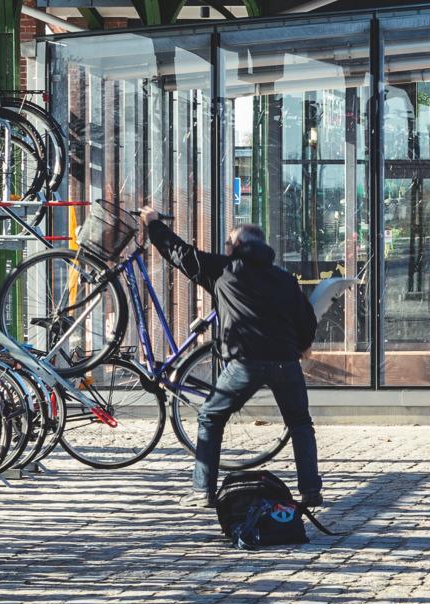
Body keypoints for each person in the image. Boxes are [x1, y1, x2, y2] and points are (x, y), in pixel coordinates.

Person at [137, 206, 321, 508]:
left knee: (210, 417)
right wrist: (302, 346)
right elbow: (307, 319)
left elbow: (180, 254)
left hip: (245, 362)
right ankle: (311, 492)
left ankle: (202, 490)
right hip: (286, 363)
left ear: (236, 246)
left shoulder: (223, 269)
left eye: (228, 244)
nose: (225, 248)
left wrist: (154, 224)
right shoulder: (285, 279)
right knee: (301, 424)